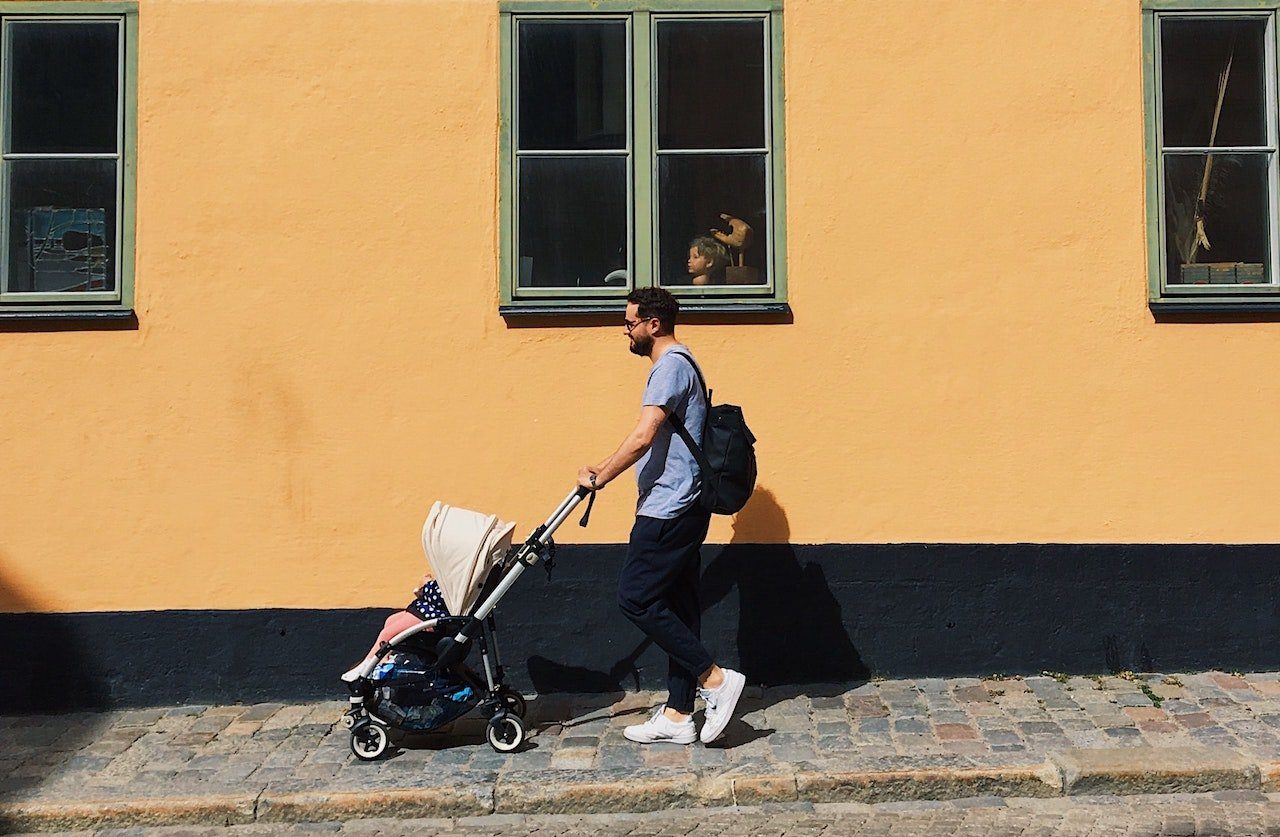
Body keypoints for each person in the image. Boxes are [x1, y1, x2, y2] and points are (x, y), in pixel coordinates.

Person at [576, 287, 746, 745]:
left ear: (654, 324)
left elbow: (643, 435)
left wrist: (601, 475)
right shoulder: (686, 362)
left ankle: (715, 679)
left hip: (669, 506)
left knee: (636, 597)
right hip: (686, 504)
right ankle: (676, 714)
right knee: (679, 605)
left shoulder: (668, 367)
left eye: (630, 323)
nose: (625, 331)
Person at [341, 572, 450, 682]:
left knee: (387, 634)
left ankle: (367, 666)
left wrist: (426, 585)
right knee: (391, 620)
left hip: (432, 616)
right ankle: (383, 660)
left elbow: (439, 597)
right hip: (426, 610)